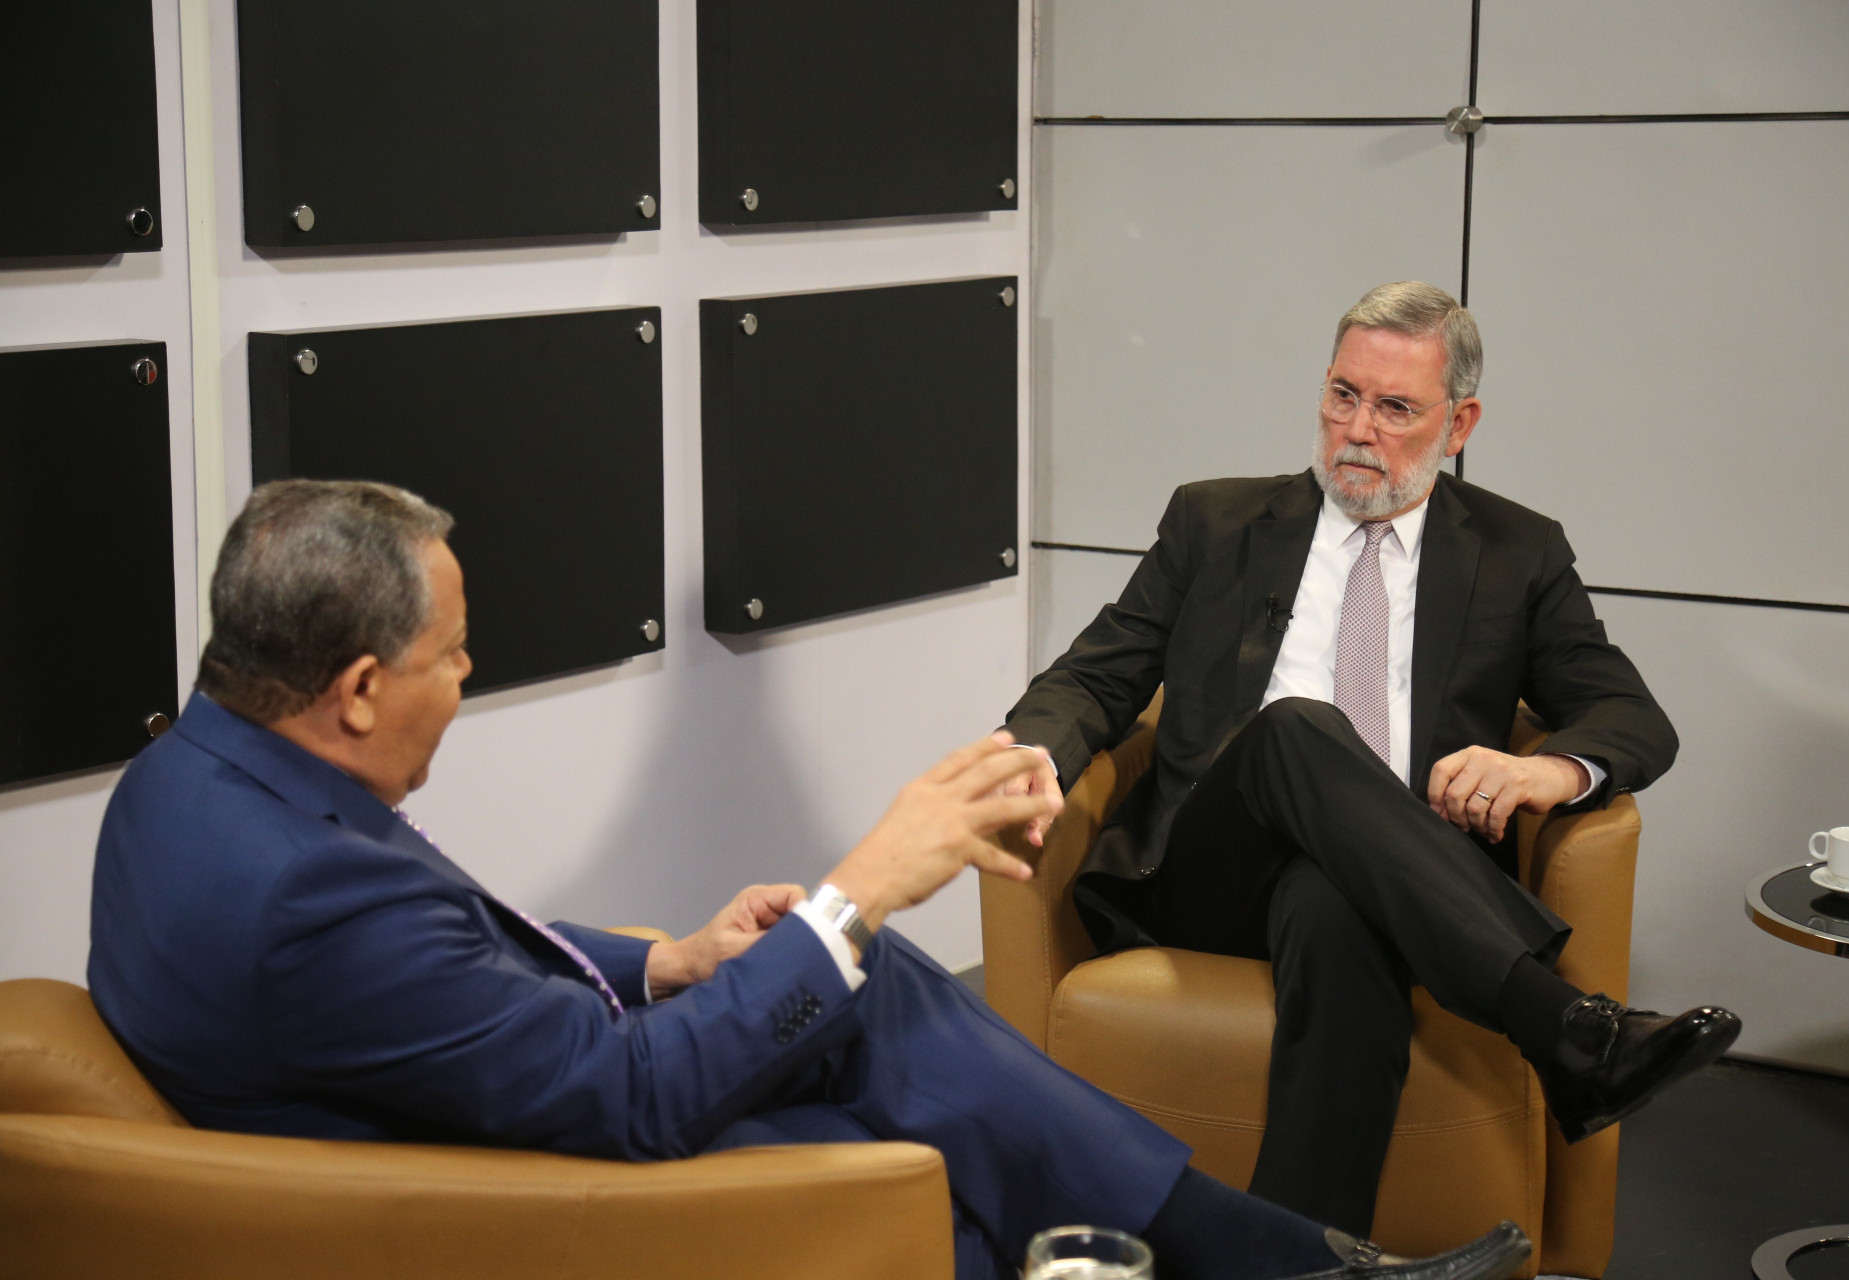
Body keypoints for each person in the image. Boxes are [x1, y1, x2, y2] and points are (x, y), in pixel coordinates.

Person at [88, 479, 1532, 1280]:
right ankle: (1284, 1268)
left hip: (472, 1102)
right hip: (507, 1191)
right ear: (354, 687)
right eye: (453, 656)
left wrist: (670, 960)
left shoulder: (189, 777)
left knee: (875, 992)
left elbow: (437, 953)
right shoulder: (302, 894)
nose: (467, 679)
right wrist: (868, 880)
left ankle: (1282, 1265)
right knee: (934, 1134)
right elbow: (627, 1097)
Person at [1000, 282, 1741, 1236]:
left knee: (1335, 903)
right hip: (1210, 872)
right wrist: (1028, 753)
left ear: (1459, 424)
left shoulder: (1516, 552)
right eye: (1344, 395)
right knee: (1295, 726)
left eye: (1394, 408)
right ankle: (1558, 1021)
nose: (1357, 430)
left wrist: (1544, 772)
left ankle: (1296, 1252)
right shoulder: (1216, 522)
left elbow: (1630, 714)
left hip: (1394, 890)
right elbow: (1096, 675)